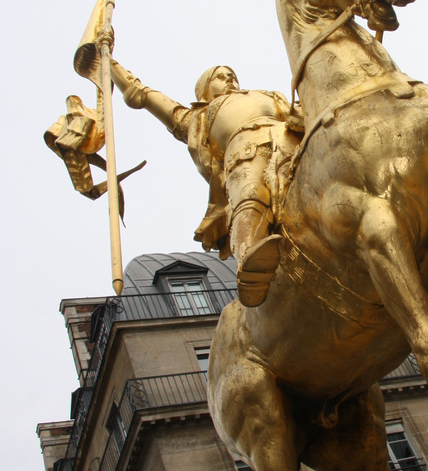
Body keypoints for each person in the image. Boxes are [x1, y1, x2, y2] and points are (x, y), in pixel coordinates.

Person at [110, 59, 295, 306]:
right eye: (220, 76)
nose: (229, 78)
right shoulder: (199, 116)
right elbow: (141, 94)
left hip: (289, 140)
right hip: (247, 153)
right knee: (251, 193)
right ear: (204, 90)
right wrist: (111, 65)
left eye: (231, 74)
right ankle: (250, 260)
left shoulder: (268, 95)